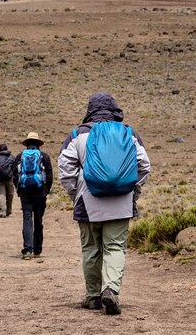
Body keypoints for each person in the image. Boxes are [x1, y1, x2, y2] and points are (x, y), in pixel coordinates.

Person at [57, 92, 150, 315]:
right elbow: (144, 165)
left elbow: (65, 168)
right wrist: (132, 190)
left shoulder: (77, 135)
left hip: (88, 201)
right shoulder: (128, 133)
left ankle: (92, 296)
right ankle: (111, 289)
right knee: (115, 247)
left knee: (91, 249)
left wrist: (75, 193)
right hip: (121, 201)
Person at [11, 132, 53, 260]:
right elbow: (50, 176)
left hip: (25, 193)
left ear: (27, 144)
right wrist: (46, 190)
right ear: (38, 144)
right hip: (40, 193)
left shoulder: (19, 157)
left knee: (27, 220)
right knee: (38, 221)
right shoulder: (44, 156)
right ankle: (37, 250)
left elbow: (14, 175)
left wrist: (19, 190)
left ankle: (28, 250)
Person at [0, 143, 14, 217]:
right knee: (10, 194)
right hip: (9, 178)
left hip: (0, 179)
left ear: (0, 149)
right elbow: (15, 167)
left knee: (1, 194)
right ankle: (9, 210)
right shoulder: (11, 157)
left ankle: (3, 212)